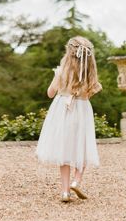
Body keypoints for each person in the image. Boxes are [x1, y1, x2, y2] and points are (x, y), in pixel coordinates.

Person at [36, 36, 102, 202]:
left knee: (64, 150)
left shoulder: (62, 71)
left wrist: (60, 84)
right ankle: (76, 181)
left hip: (62, 111)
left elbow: (50, 93)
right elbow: (91, 93)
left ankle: (65, 192)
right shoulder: (89, 75)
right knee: (83, 146)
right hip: (82, 110)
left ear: (69, 52)